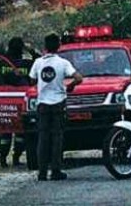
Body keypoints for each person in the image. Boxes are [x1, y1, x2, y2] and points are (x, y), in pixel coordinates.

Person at [29, 33, 83, 182]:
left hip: (42, 104)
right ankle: (56, 170)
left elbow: (32, 79)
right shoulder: (63, 63)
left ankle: (42, 172)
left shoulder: (38, 63)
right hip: (59, 102)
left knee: (43, 137)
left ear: (45, 47)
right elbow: (79, 78)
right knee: (57, 137)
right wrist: (69, 86)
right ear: (58, 46)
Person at [0, 37, 38, 167]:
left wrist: (2, 52)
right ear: (21, 49)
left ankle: (3, 160)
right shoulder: (27, 63)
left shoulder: (3, 63)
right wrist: (31, 50)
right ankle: (16, 158)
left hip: (5, 102)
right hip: (21, 102)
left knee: (5, 133)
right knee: (21, 133)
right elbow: (38, 60)